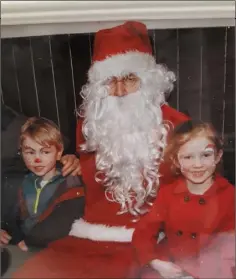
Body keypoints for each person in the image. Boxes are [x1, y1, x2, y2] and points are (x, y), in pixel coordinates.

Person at [13, 21, 189, 278]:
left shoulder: (179, 125)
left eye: (129, 79)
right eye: (110, 81)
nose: (118, 91)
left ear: (149, 80)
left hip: (155, 240)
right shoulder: (91, 124)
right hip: (92, 235)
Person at [132, 120, 235, 279]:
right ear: (176, 161)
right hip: (172, 266)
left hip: (215, 268)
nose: (197, 164)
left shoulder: (229, 196)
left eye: (206, 155)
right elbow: (144, 232)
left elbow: (230, 247)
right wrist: (155, 262)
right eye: (187, 157)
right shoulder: (168, 194)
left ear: (218, 156)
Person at [0, 117, 85, 251]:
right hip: (25, 252)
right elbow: (12, 218)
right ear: (21, 153)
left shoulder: (70, 182)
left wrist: (28, 243)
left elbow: (63, 225)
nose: (37, 159)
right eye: (30, 152)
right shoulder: (23, 183)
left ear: (59, 153)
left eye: (45, 152)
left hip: (59, 253)